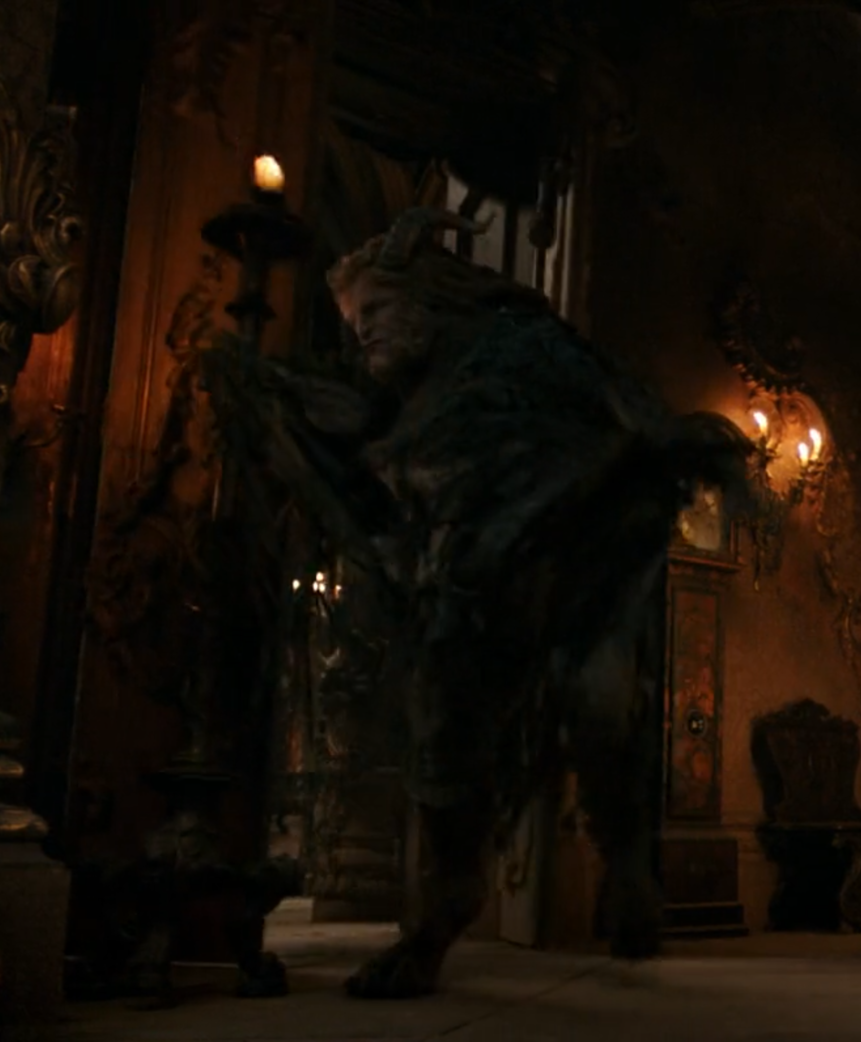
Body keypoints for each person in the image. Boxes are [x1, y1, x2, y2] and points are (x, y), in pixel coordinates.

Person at [216, 208, 750, 998]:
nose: (365, 334)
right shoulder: (408, 397)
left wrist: (632, 462)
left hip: (567, 569)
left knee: (599, 704)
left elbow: (606, 419)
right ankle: (441, 916)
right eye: (355, 323)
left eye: (377, 311)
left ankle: (623, 862)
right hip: (466, 596)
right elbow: (371, 464)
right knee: (445, 748)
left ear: (426, 301)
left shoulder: (519, 350)